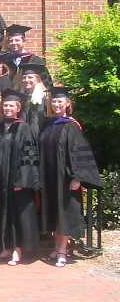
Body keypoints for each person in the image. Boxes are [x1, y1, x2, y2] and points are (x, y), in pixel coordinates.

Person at [38, 87, 102, 268]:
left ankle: (62, 251)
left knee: (64, 213)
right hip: (49, 177)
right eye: (54, 101)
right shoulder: (48, 124)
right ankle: (56, 247)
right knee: (53, 211)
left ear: (67, 104)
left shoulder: (72, 126)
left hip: (65, 178)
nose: (56, 104)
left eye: (60, 101)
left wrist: (77, 178)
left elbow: (78, 153)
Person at [0, 89, 40, 266]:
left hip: (17, 180)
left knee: (17, 214)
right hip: (0, 179)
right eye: (5, 106)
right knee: (3, 212)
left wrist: (22, 180)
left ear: (18, 108)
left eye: (11, 106)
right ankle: (6, 247)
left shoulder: (24, 128)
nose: (7, 109)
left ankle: (18, 250)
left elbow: (30, 156)